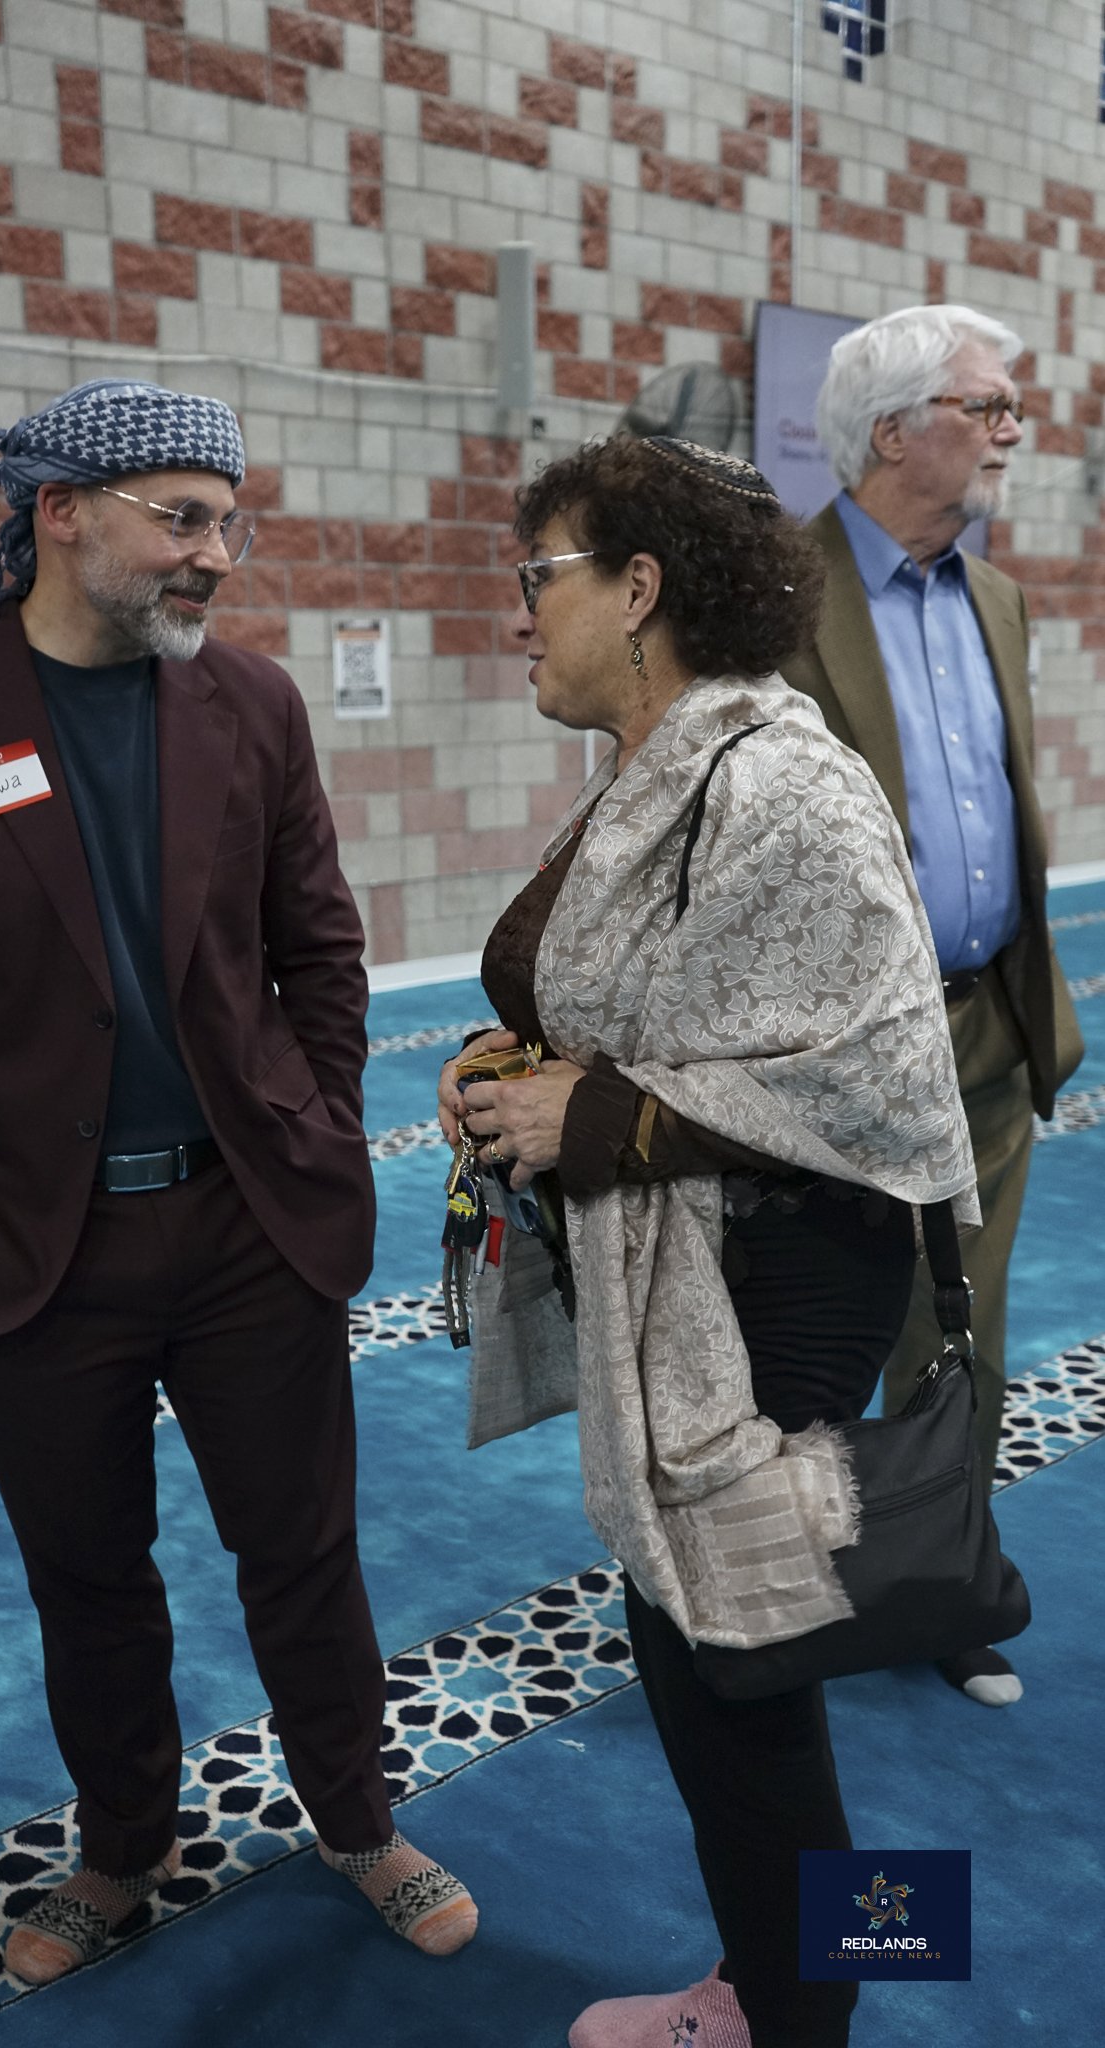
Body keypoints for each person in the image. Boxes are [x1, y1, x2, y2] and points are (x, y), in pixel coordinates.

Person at [0, 378, 475, 1985]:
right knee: (88, 1569)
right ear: (61, 515)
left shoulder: (247, 703)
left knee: (302, 1550)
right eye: (182, 519)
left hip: (247, 1218)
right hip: (30, 1244)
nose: (216, 556)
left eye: (227, 523)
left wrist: (315, 1129)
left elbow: (319, 943)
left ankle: (356, 1818)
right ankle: (122, 1847)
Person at [437, 433, 978, 2048]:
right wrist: (528, 1071)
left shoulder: (778, 778)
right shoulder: (670, 765)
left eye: (540, 578)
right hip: (708, 1260)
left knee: (732, 1667)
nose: (519, 615)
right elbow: (686, 1011)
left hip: (780, 1275)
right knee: (716, 1655)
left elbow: (880, 1073)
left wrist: (588, 1120)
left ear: (640, 588)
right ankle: (805, 1980)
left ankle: (801, 2013)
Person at [781, 304, 1084, 1708]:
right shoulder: (768, 595)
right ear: (895, 432)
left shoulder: (997, 598)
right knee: (811, 1324)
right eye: (990, 405)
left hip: (982, 1032)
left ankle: (933, 1589)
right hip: (828, 1049)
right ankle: (777, 1577)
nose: (1014, 430)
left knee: (967, 1333)